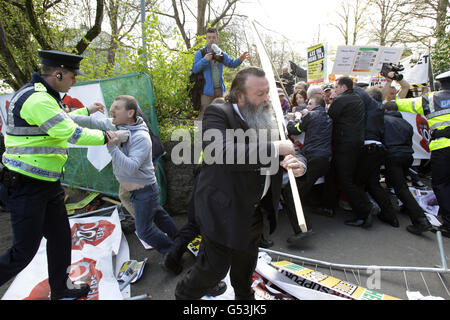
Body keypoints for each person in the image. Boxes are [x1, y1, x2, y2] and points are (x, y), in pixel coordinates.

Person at [175, 67, 307, 300]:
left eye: (268, 92)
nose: (267, 99)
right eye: (260, 93)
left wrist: (299, 164)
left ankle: (245, 299)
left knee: (246, 267)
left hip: (254, 210)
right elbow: (220, 151)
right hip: (222, 209)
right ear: (240, 96)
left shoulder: (268, 115)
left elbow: (291, 148)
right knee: (213, 269)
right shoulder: (219, 112)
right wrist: (275, 149)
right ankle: (185, 295)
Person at [0, 49, 113, 300]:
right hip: (26, 186)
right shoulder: (37, 99)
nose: (75, 81)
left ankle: (61, 288)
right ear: (58, 73)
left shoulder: (44, 97)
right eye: (73, 76)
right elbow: (70, 133)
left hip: (47, 184)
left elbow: (61, 120)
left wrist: (86, 111)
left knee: (61, 238)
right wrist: (107, 137)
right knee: (24, 252)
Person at [395, 70, 450, 237]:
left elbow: (398, 103)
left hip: (442, 148)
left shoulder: (430, 99)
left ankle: (448, 224)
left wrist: (398, 81)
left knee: (442, 185)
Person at [327, 76, 379, 227]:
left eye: (336, 87)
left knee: (346, 180)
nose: (334, 90)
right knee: (344, 177)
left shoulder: (341, 100)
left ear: (343, 87)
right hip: (355, 143)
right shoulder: (357, 98)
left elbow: (329, 118)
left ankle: (364, 211)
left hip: (345, 144)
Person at [284, 95, 333, 244]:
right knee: (301, 190)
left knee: (291, 192)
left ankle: (303, 229)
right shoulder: (329, 118)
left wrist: (292, 119)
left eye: (309, 104)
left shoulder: (311, 115)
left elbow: (294, 129)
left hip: (313, 158)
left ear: (313, 105)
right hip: (325, 159)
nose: (307, 106)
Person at [351, 85, 399, 228]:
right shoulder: (378, 110)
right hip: (376, 149)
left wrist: (347, 82)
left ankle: (365, 213)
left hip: (368, 149)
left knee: (355, 183)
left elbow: (359, 91)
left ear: (370, 98)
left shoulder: (373, 106)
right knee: (373, 184)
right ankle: (390, 216)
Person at [383, 101, 432, 235]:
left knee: (400, 188)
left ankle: (420, 220)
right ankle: (406, 207)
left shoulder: (384, 120)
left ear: (385, 110)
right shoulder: (406, 123)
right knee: (403, 185)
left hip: (393, 156)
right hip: (407, 156)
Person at [192, 28, 249, 118]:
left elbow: (231, 63)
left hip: (220, 91)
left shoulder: (221, 53)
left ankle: (218, 132)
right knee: (204, 115)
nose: (211, 39)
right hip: (206, 91)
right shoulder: (200, 53)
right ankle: (200, 132)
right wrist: (205, 60)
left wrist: (240, 59)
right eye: (209, 37)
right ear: (206, 39)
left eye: (214, 37)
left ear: (217, 39)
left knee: (220, 115)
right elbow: (195, 69)